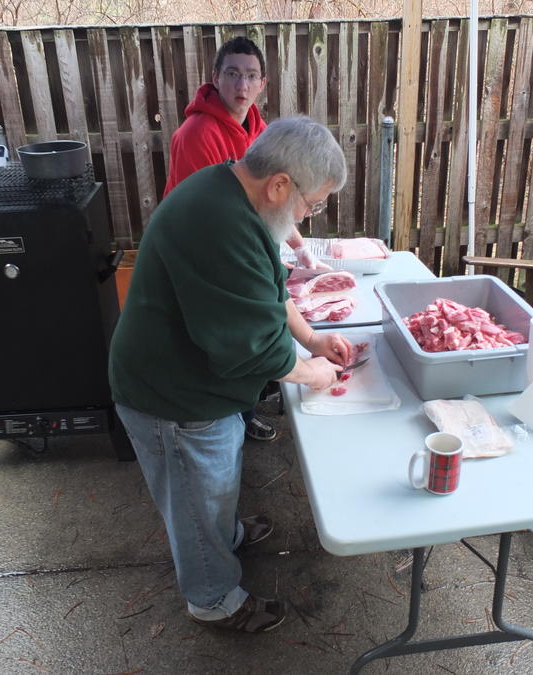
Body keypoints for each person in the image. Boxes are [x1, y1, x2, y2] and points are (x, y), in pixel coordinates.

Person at [109, 116, 352, 633]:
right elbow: (255, 348)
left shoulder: (235, 193)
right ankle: (213, 599)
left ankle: (224, 533)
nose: (307, 216)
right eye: (312, 204)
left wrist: (312, 340)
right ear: (280, 185)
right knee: (195, 499)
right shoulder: (220, 224)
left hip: (193, 381)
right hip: (172, 394)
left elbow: (269, 289)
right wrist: (313, 374)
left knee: (213, 484)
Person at [163, 37, 326, 442]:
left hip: (239, 246)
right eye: (233, 74)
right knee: (228, 334)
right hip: (201, 252)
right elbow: (214, 220)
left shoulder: (260, 131)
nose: (242, 84)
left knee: (255, 323)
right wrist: (307, 368)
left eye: (251, 76)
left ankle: (243, 409)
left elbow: (274, 201)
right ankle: (227, 415)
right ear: (215, 78)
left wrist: (301, 250)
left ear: (263, 84)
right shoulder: (196, 134)